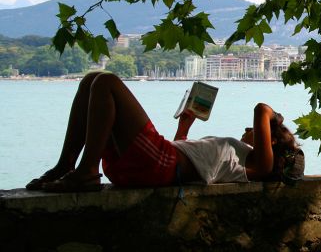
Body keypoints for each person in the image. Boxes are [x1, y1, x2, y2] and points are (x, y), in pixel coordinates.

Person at [25, 71, 303, 192]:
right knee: (91, 82)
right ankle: (67, 165)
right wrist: (183, 129)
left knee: (106, 82)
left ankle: (86, 172)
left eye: (257, 132)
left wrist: (274, 119)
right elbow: (188, 166)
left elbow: (260, 108)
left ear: (271, 142)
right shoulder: (244, 161)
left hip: (157, 164)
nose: (247, 129)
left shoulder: (260, 165)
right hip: (152, 165)